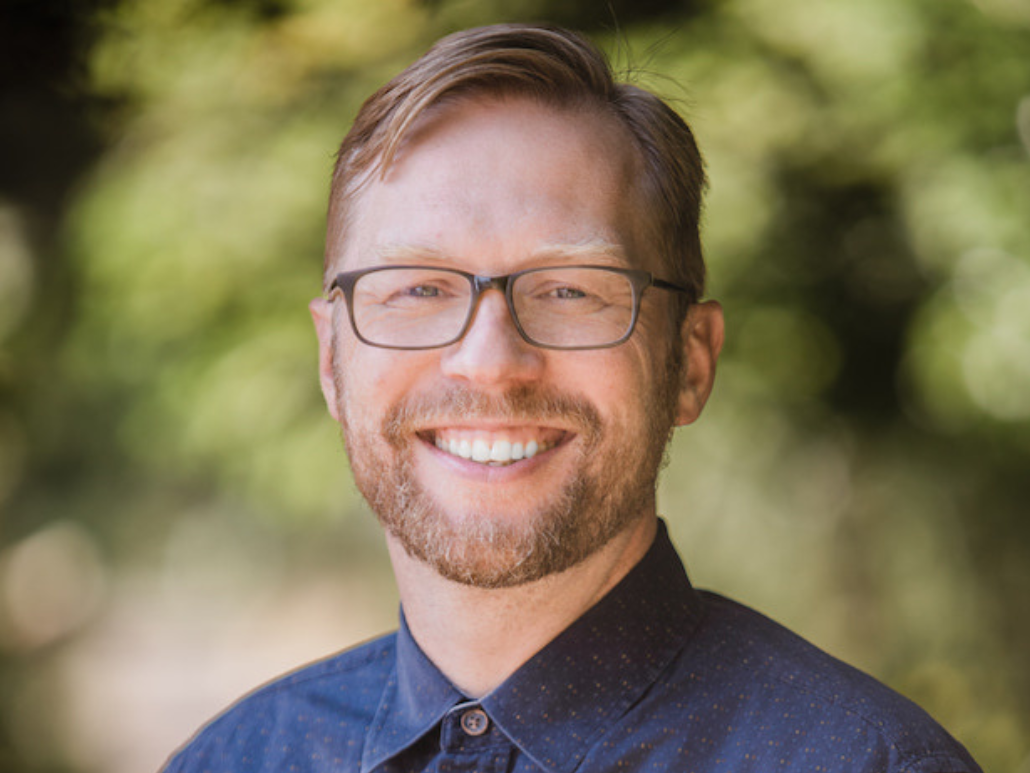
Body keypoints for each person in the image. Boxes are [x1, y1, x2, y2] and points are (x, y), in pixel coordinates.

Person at [163, 23, 981, 773]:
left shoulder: (867, 761)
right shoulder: (235, 758)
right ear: (331, 359)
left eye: (569, 291)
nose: (489, 364)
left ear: (690, 362)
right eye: (417, 289)